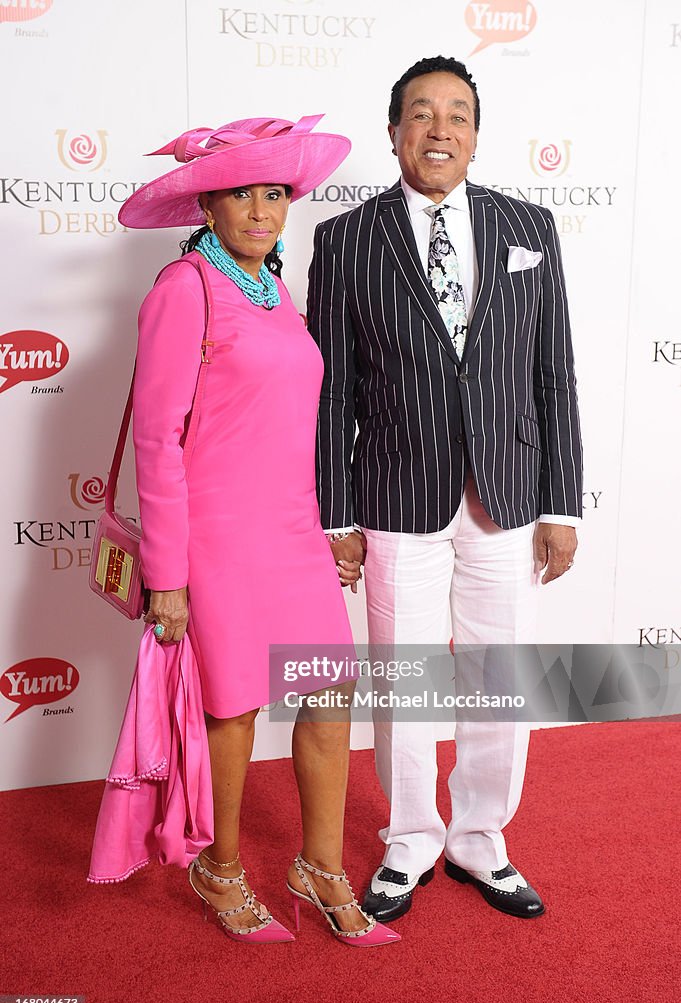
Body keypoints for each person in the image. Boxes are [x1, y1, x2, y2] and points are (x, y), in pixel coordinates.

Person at [308, 57, 583, 923]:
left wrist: (563, 502)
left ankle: (480, 839)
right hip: (393, 497)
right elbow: (332, 390)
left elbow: (555, 374)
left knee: (498, 675)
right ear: (393, 131)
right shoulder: (346, 239)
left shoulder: (528, 223)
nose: (439, 129)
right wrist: (336, 513)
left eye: (456, 115)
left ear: (474, 134)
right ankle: (409, 840)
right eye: (420, 114)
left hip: (507, 492)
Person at [115, 116, 400, 947]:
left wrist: (323, 526)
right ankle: (222, 867)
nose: (262, 209)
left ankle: (318, 868)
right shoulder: (183, 289)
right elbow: (157, 438)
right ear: (209, 203)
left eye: (275, 193)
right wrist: (166, 573)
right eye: (243, 191)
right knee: (234, 706)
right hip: (217, 537)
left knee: (327, 690)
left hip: (290, 530)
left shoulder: (274, 292)